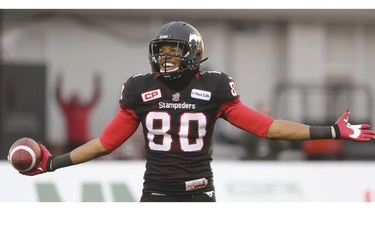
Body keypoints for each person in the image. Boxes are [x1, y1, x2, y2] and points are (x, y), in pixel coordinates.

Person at [18, 21, 375, 202]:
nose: (165, 58)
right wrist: (53, 163)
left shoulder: (215, 87)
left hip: (198, 192)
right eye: (162, 51)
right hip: (155, 192)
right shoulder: (140, 88)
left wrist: (329, 131)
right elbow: (106, 143)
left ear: (192, 52)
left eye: (173, 51)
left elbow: (267, 127)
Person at [56, 72, 101, 152]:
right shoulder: (68, 109)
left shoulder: (84, 108)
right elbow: (58, 98)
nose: (76, 101)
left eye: (77, 99)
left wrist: (97, 85)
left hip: (83, 142)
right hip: (71, 142)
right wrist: (58, 84)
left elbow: (95, 99)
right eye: (74, 99)